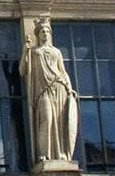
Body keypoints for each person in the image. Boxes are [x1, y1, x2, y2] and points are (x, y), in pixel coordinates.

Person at [20, 18, 79, 166]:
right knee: (46, 120)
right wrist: (25, 51)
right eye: (42, 32)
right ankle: (44, 154)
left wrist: (70, 88)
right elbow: (22, 70)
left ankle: (59, 154)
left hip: (59, 87)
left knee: (59, 122)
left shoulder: (56, 52)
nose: (45, 34)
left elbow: (63, 71)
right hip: (43, 91)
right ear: (37, 35)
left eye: (47, 31)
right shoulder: (34, 52)